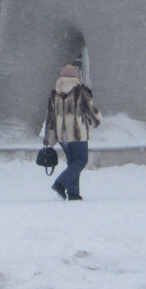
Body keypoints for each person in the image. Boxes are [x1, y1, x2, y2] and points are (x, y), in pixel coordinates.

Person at [42, 64, 102, 201]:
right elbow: (92, 111)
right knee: (81, 160)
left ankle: (73, 193)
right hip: (77, 133)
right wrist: (96, 120)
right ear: (76, 76)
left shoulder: (54, 93)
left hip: (62, 136)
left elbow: (50, 117)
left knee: (73, 163)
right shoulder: (79, 91)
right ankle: (60, 183)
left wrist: (49, 139)